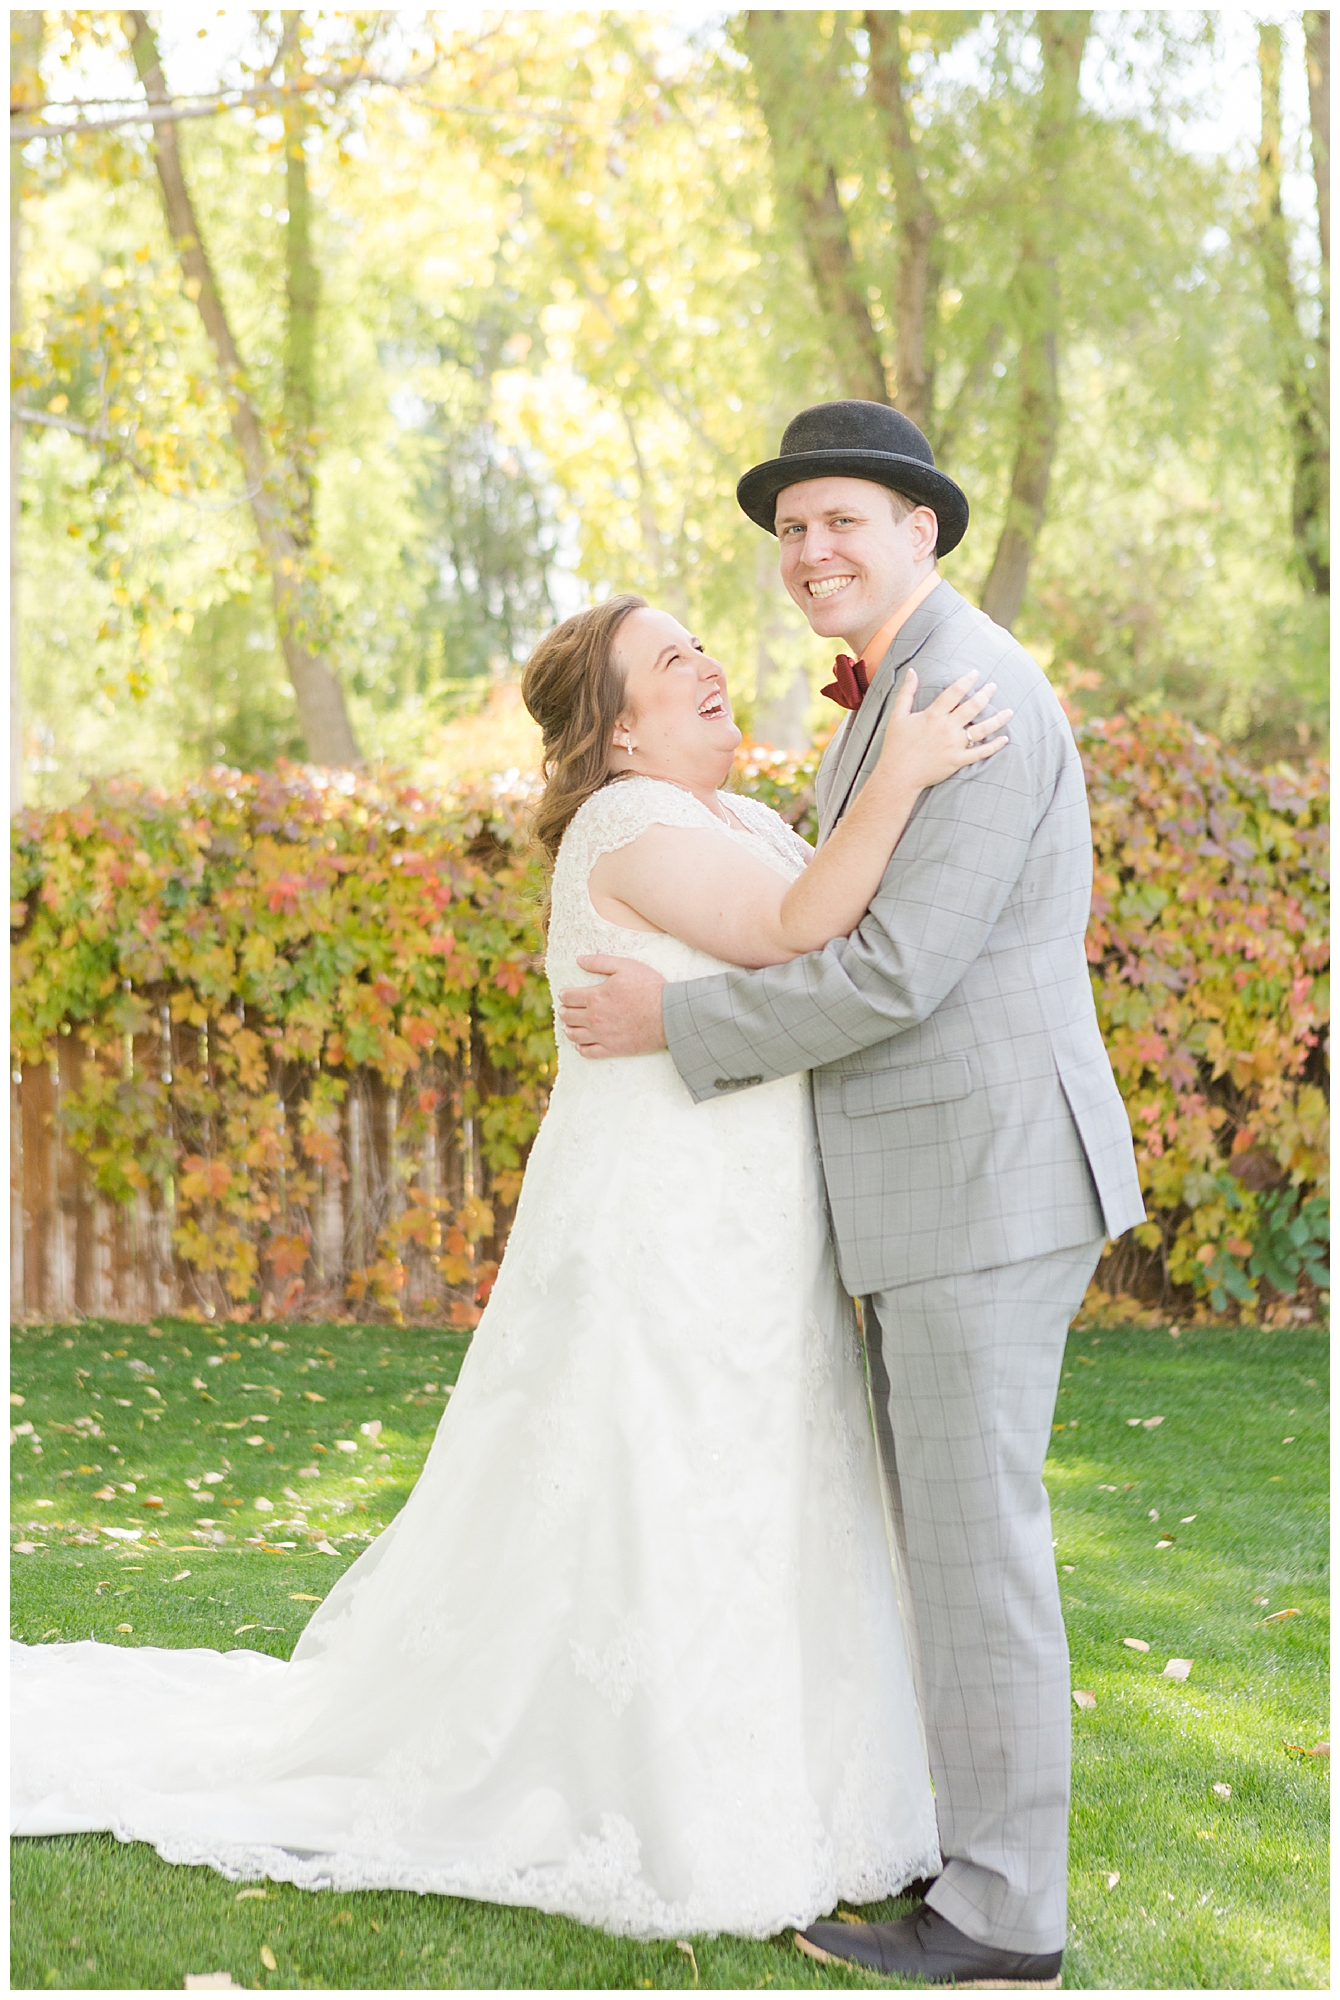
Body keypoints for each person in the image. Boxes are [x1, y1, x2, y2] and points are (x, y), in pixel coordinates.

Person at [11, 586, 1009, 1943]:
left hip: (760, 1223)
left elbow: (816, 937)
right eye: (672, 663)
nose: (709, 666)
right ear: (616, 735)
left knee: (764, 1473)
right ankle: (655, 1794)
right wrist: (902, 766)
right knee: (658, 1475)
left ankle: (802, 1787)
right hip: (658, 1219)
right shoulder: (629, 825)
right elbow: (798, 932)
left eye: (700, 646)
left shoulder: (738, 819)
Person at [560, 399, 1146, 1986]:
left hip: (984, 1179)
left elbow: (890, 971)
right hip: (947, 1181)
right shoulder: (899, 690)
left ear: (920, 533)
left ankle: (1002, 1917)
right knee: (955, 1544)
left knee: (977, 1550)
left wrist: (678, 1022)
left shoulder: (969, 689)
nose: (811, 552)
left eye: (843, 523)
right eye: (792, 528)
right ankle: (971, 1870)